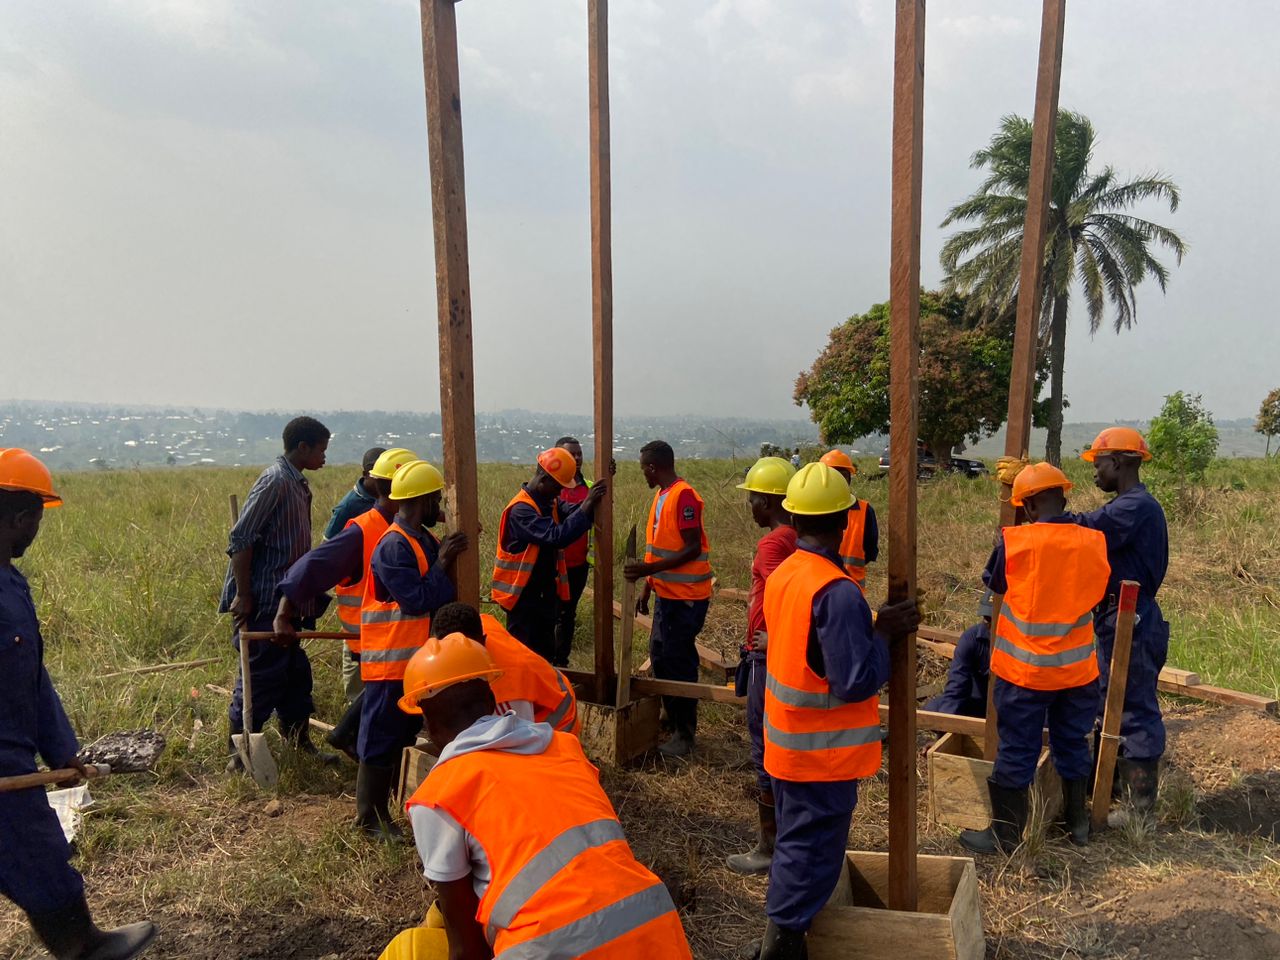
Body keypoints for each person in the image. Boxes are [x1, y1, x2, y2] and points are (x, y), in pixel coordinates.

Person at [400, 634, 694, 959]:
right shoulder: (564, 748)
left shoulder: (440, 796)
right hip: (656, 933)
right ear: (490, 698)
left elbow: (467, 951)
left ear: (426, 721)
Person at [747, 463, 920, 959]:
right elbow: (854, 680)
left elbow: (810, 650)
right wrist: (884, 634)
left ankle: (784, 940)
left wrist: (870, 624)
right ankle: (780, 947)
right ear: (846, 520)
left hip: (788, 748)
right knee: (810, 855)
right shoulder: (836, 590)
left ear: (792, 517)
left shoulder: (787, 576)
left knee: (797, 846)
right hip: (821, 758)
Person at [0, 448, 157, 959]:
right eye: (37, 520)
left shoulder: (9, 582)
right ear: (22, 518)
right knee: (40, 859)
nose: (36, 532)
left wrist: (63, 751)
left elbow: (31, 677)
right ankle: (83, 949)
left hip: (14, 752)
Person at [959, 463, 1110, 854]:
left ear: (1025, 507)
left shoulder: (1016, 543)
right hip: (1077, 672)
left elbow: (995, 584)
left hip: (1024, 673)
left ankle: (1005, 836)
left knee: (1017, 749)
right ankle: (1077, 825)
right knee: (1073, 743)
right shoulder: (1092, 540)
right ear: (1063, 497)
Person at [273, 448, 420, 760]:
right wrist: (284, 613)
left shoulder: (407, 528)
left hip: (397, 640)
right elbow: (312, 567)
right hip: (374, 640)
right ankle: (370, 770)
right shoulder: (362, 530)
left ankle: (350, 738)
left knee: (384, 704)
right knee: (382, 718)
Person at [357, 459, 468, 838]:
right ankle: (369, 818)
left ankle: (388, 806)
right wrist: (443, 561)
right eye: (437, 499)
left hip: (416, 664)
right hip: (390, 664)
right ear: (422, 500)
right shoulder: (393, 546)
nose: (441, 507)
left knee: (401, 734)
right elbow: (416, 599)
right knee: (381, 737)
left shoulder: (423, 538)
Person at [221, 416, 333, 771]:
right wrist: (244, 594)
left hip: (289, 599)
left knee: (295, 675)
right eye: (321, 450)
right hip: (266, 599)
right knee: (259, 677)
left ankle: (299, 743)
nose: (324, 458)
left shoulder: (296, 483)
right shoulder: (275, 482)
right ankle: (239, 755)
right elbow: (241, 538)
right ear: (303, 447)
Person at [1073, 427, 1170, 816]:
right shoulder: (1130, 504)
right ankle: (1110, 790)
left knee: (1133, 705)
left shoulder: (1134, 507)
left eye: (1098, 464)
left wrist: (1044, 513)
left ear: (1117, 462)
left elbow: (1086, 528)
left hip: (1133, 617)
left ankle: (1138, 808)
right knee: (1109, 701)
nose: (1094, 472)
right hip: (1118, 615)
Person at [727, 457, 797, 876]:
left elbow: (786, 593)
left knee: (763, 747)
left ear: (768, 501)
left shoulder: (772, 544)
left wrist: (775, 639)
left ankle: (769, 845)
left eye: (753, 497)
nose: (749, 505)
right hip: (778, 655)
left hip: (767, 657)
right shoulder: (796, 537)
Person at [623, 441, 714, 758]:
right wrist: (650, 584)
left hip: (686, 598)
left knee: (678, 662)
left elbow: (690, 548)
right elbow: (660, 546)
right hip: (667, 595)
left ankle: (685, 735)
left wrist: (649, 569)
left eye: (643, 469)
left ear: (652, 467)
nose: (643, 475)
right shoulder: (661, 496)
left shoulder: (683, 495)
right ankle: (670, 716)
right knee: (660, 655)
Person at [491, 447, 608, 662]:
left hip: (544, 596)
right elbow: (556, 536)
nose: (560, 492)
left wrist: (594, 499)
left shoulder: (548, 502)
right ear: (544, 478)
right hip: (523, 600)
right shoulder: (521, 510)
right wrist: (588, 503)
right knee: (524, 658)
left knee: (544, 655)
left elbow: (574, 511)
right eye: (558, 487)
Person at [431, 601, 579, 734]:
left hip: (556, 726)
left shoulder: (508, 685)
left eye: (458, 655)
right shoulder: (472, 626)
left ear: (482, 641)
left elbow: (518, 737)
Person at [923, 590, 993, 719]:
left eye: (993, 620)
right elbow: (957, 684)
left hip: (1007, 706)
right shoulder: (972, 639)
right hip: (978, 703)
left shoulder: (1019, 642)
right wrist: (947, 722)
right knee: (933, 709)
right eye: (987, 619)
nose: (989, 625)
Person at [817, 449, 879, 592]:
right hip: (819, 588)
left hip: (852, 590)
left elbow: (870, 551)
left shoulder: (865, 510)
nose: (837, 481)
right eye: (833, 476)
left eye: (842, 476)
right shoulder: (811, 509)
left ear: (849, 478)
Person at [323, 446, 386, 540]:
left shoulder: (392, 497)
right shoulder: (347, 507)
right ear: (365, 475)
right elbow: (327, 546)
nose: (385, 480)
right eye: (378, 476)